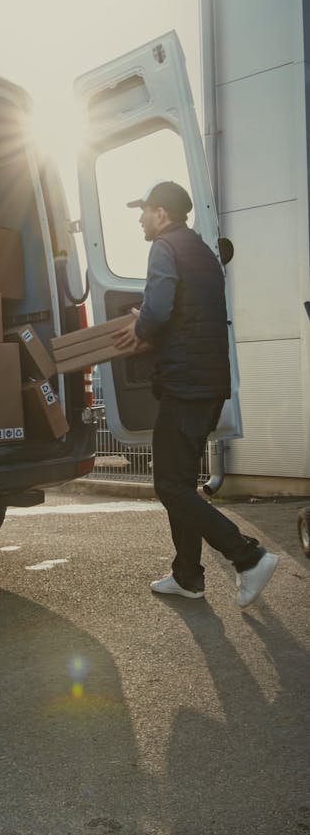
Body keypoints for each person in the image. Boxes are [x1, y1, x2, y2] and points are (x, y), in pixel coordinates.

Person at [112, 181, 278, 608]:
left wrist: (140, 325)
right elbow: (186, 310)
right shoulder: (202, 251)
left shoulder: (163, 246)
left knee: (169, 485)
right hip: (208, 386)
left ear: (162, 214)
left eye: (144, 210)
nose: (140, 218)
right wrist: (150, 318)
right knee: (181, 482)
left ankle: (248, 556)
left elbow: (161, 308)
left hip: (185, 387)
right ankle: (188, 576)